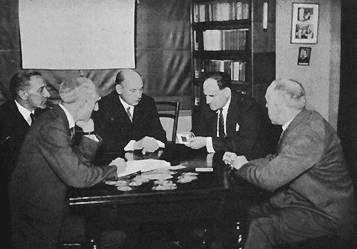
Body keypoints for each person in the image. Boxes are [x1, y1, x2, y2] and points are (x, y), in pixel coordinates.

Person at [223, 78, 356, 249]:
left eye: (268, 102)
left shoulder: (308, 134)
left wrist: (243, 167)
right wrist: (242, 161)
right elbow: (277, 159)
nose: (265, 106)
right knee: (247, 209)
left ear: (279, 107)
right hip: (306, 201)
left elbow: (269, 179)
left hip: (327, 214)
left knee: (262, 227)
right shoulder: (302, 121)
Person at [9, 77, 126, 249]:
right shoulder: (53, 127)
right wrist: (115, 168)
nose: (97, 108)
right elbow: (78, 178)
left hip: (51, 207)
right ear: (82, 104)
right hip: (37, 217)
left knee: (109, 229)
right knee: (113, 234)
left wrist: (89, 135)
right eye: (94, 103)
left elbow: (76, 164)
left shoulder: (60, 119)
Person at [0, 70, 50, 248]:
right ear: (22, 94)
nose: (47, 94)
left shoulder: (45, 115)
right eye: (41, 90)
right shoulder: (3, 118)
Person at [185, 71, 275, 160]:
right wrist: (192, 135)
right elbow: (200, 129)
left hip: (248, 161)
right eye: (205, 96)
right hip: (219, 158)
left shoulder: (248, 107)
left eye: (212, 96)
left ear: (227, 92)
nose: (207, 101)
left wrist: (207, 142)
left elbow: (244, 144)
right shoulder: (210, 106)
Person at [93, 69, 167, 156]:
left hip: (145, 158)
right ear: (119, 89)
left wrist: (153, 144)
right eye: (133, 91)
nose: (139, 95)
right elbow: (103, 143)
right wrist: (134, 145)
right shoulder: (104, 106)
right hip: (116, 161)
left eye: (141, 89)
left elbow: (160, 134)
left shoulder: (147, 102)